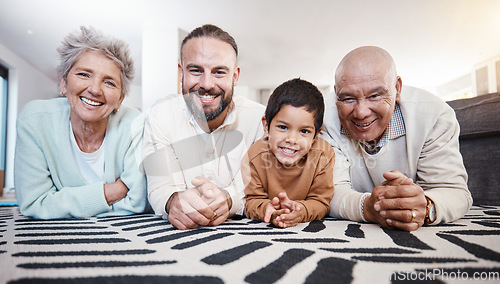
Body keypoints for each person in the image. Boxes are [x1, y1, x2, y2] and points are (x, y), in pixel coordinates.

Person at [321, 46, 472, 231]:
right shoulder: (323, 118)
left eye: (375, 96)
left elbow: (454, 191)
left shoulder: (433, 114)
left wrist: (425, 207)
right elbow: (329, 192)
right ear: (336, 93)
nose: (361, 113)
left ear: (397, 88)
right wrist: (369, 207)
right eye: (348, 99)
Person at [14, 26, 148, 219]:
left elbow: (139, 201)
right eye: (84, 74)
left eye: (109, 82)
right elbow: (34, 203)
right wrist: (112, 192)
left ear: (120, 99)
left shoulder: (135, 124)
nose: (94, 89)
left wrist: (61, 204)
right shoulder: (34, 121)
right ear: (63, 82)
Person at [143, 24, 265, 230]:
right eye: (195, 70)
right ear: (181, 72)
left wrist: (229, 198)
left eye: (219, 72)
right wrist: (173, 201)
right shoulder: (161, 115)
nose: (206, 84)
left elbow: (258, 187)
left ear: (235, 76)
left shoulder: (259, 119)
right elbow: (160, 187)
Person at [243, 78, 334, 228]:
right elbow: (251, 201)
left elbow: (321, 202)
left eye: (304, 131)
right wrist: (267, 209)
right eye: (283, 127)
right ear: (266, 127)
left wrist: (300, 211)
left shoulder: (323, 155)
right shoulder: (254, 156)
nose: (292, 139)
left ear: (316, 135)